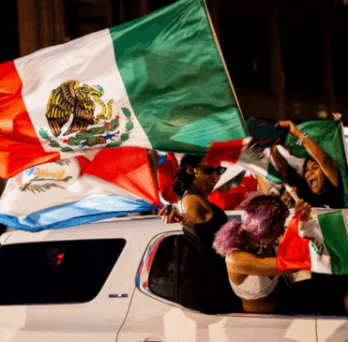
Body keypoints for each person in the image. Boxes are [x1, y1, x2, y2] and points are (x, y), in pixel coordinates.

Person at [159, 154, 242, 314]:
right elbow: (188, 219)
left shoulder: (192, 197)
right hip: (208, 290)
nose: (215, 177)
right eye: (210, 170)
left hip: (203, 285)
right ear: (190, 170)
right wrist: (175, 217)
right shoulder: (191, 199)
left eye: (219, 170)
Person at [214, 195, 311, 313]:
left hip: (287, 302)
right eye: (280, 228)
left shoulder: (261, 240)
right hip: (264, 321)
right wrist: (298, 221)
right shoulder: (235, 259)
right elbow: (292, 264)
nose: (282, 232)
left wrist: (299, 218)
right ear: (264, 228)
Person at [273, 120, 344, 209]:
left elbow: (323, 161)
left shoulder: (335, 187)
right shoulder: (303, 189)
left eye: (314, 167)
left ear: (326, 172)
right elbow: (284, 167)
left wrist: (295, 132)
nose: (309, 173)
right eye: (306, 169)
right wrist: (273, 143)